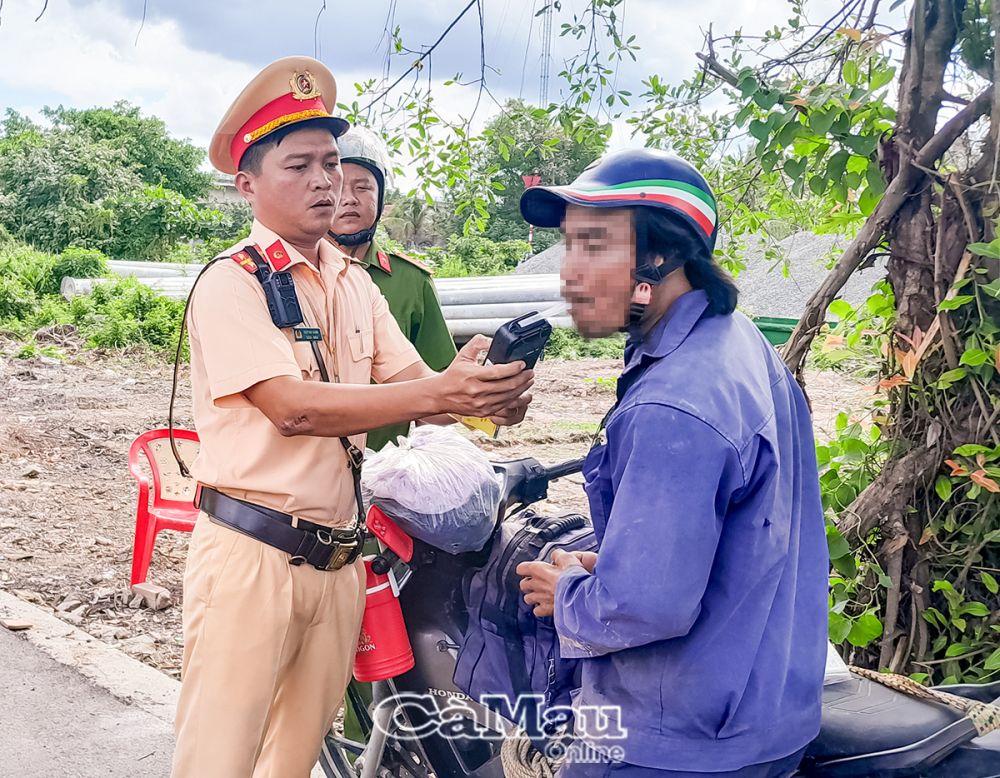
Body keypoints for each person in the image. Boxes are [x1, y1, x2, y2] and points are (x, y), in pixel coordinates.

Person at [170, 56, 533, 778]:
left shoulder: (353, 284)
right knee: (220, 760)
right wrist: (442, 395)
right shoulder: (229, 283)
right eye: (298, 165)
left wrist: (488, 392)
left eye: (331, 163)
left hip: (339, 558)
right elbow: (292, 409)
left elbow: (416, 382)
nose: (324, 181)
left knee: (292, 758)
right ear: (248, 184)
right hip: (253, 559)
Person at [515, 149, 828, 778]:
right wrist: (617, 565)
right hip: (764, 708)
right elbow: (738, 533)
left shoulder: (673, 404)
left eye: (595, 247)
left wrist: (570, 594)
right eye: (569, 248)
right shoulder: (739, 341)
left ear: (658, 259)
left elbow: (647, 608)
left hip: (675, 740)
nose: (570, 276)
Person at [327, 126, 457, 452]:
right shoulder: (288, 278)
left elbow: (437, 392)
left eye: (363, 188)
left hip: (383, 470)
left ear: (381, 200)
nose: (350, 199)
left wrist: (486, 402)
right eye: (338, 186)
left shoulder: (411, 281)